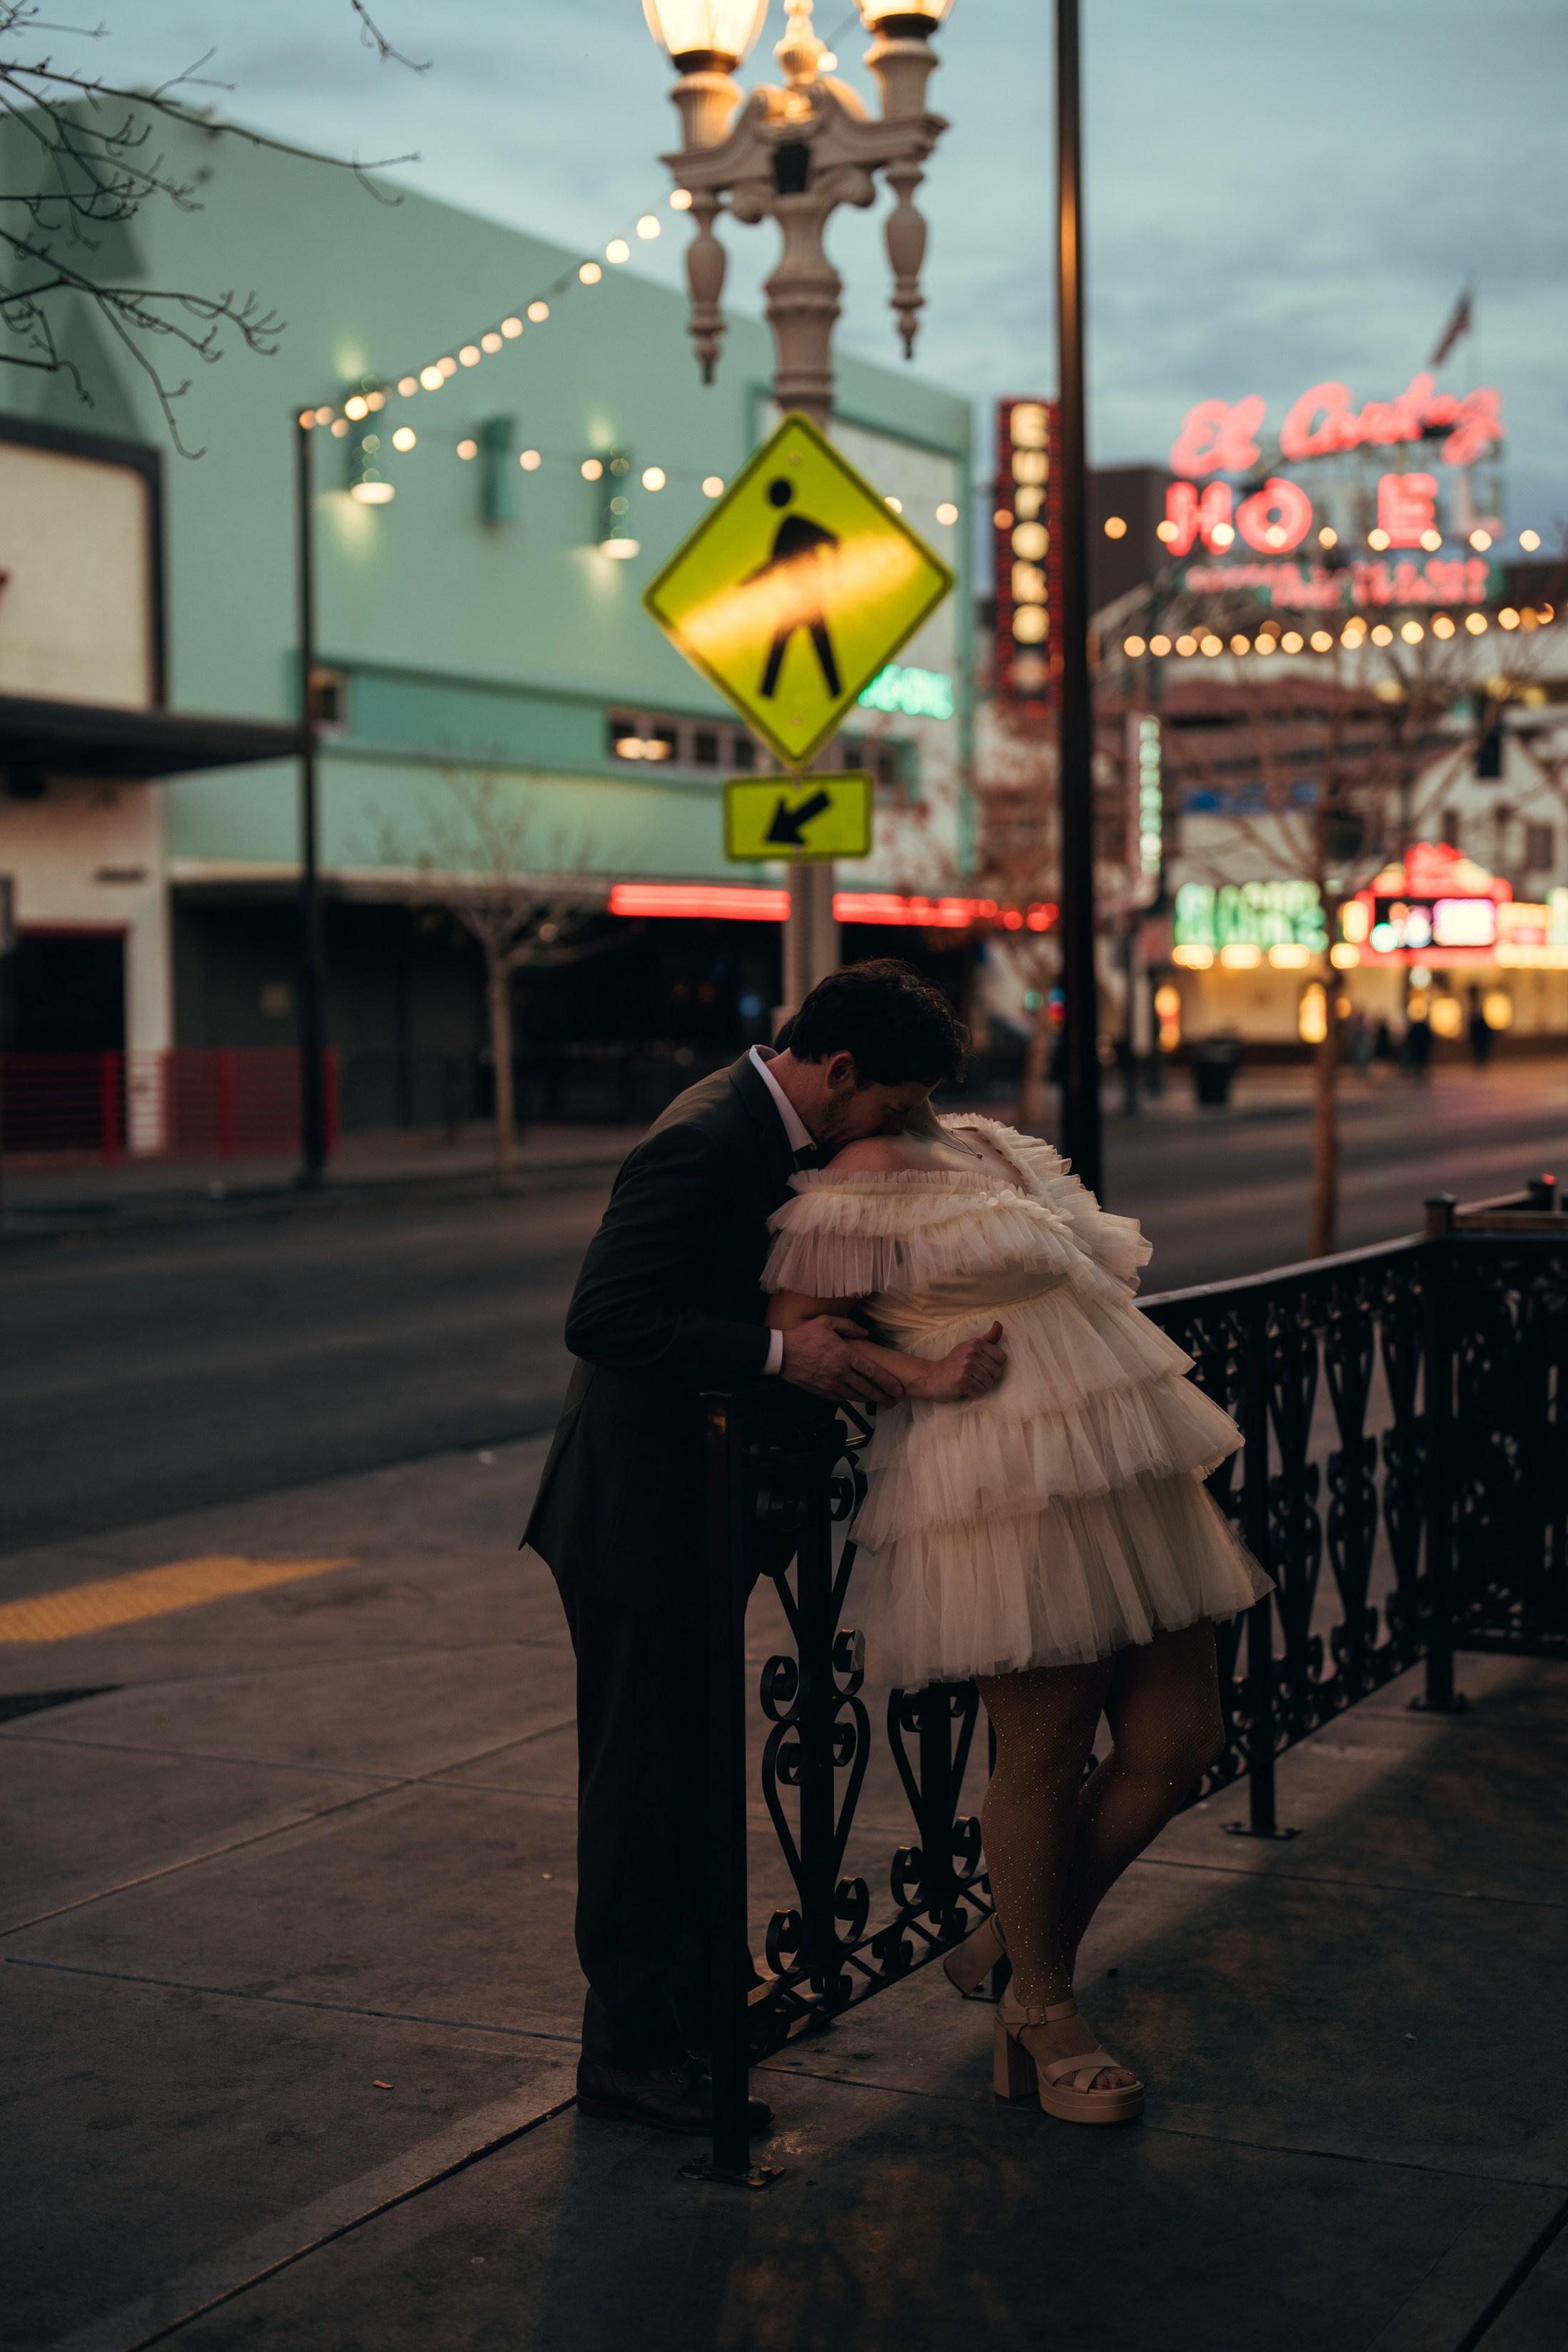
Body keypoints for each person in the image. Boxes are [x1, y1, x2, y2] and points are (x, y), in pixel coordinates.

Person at [523, 960, 975, 2135]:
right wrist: (784, 1360)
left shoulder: (778, 1125)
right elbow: (605, 1319)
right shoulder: (708, 1139)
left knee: (683, 1778)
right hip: (633, 1513)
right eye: (895, 1101)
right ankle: (627, 2052)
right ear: (838, 1071)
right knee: (639, 1792)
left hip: (697, 1508)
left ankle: (691, 2017)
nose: (902, 1124)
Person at [763, 1099, 1269, 2125]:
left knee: (1182, 1739)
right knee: (1044, 1748)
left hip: (1121, 1461)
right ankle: (1039, 2010)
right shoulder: (852, 1175)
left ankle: (1018, 1924)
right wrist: (917, 1375)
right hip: (996, 1476)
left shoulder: (986, 1139)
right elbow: (797, 1333)